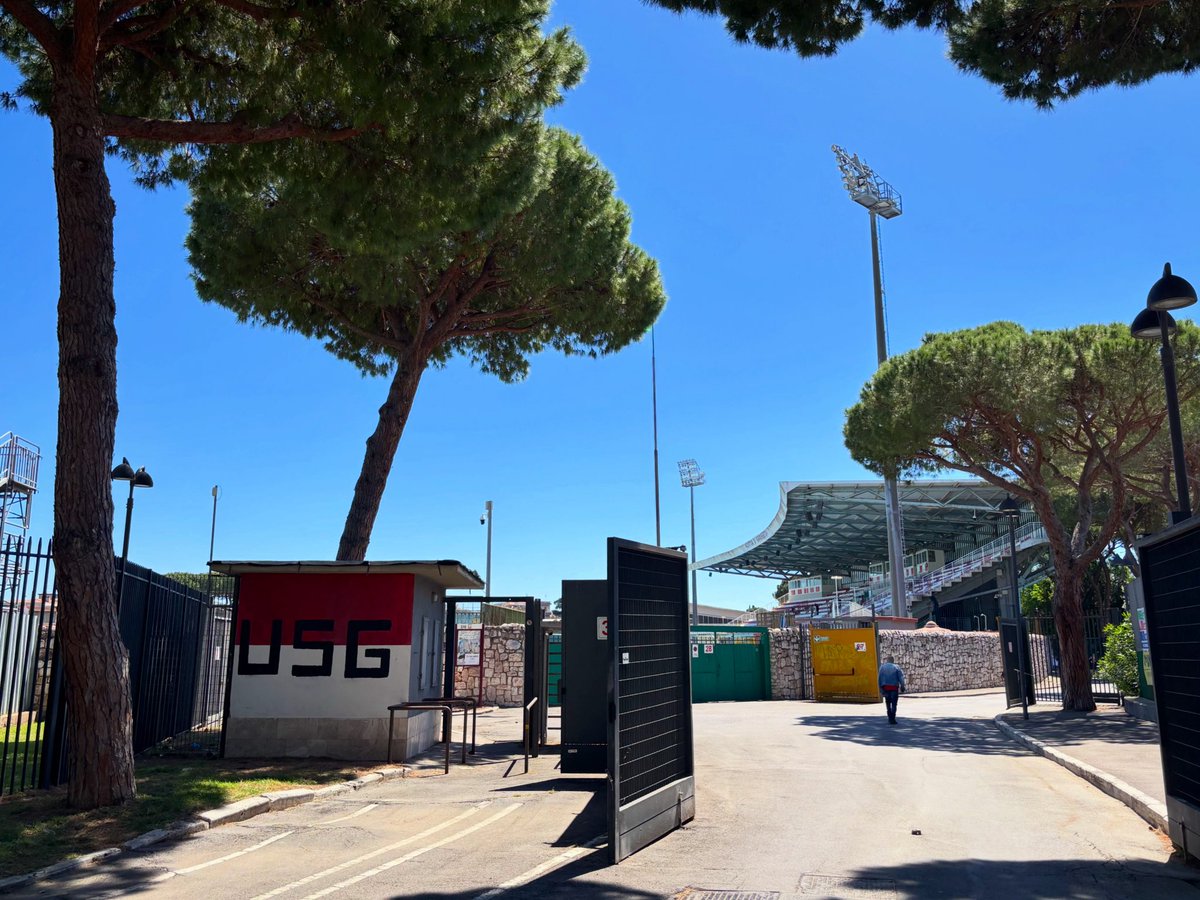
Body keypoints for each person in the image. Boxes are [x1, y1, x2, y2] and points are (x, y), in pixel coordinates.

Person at [878, 655, 906, 725]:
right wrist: (902, 686)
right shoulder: (896, 667)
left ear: (887, 660)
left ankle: (889, 716)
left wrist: (880, 688)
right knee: (894, 704)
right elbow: (901, 678)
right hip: (894, 688)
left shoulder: (882, 667)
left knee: (888, 703)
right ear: (893, 661)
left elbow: (879, 678)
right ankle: (893, 718)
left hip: (886, 688)